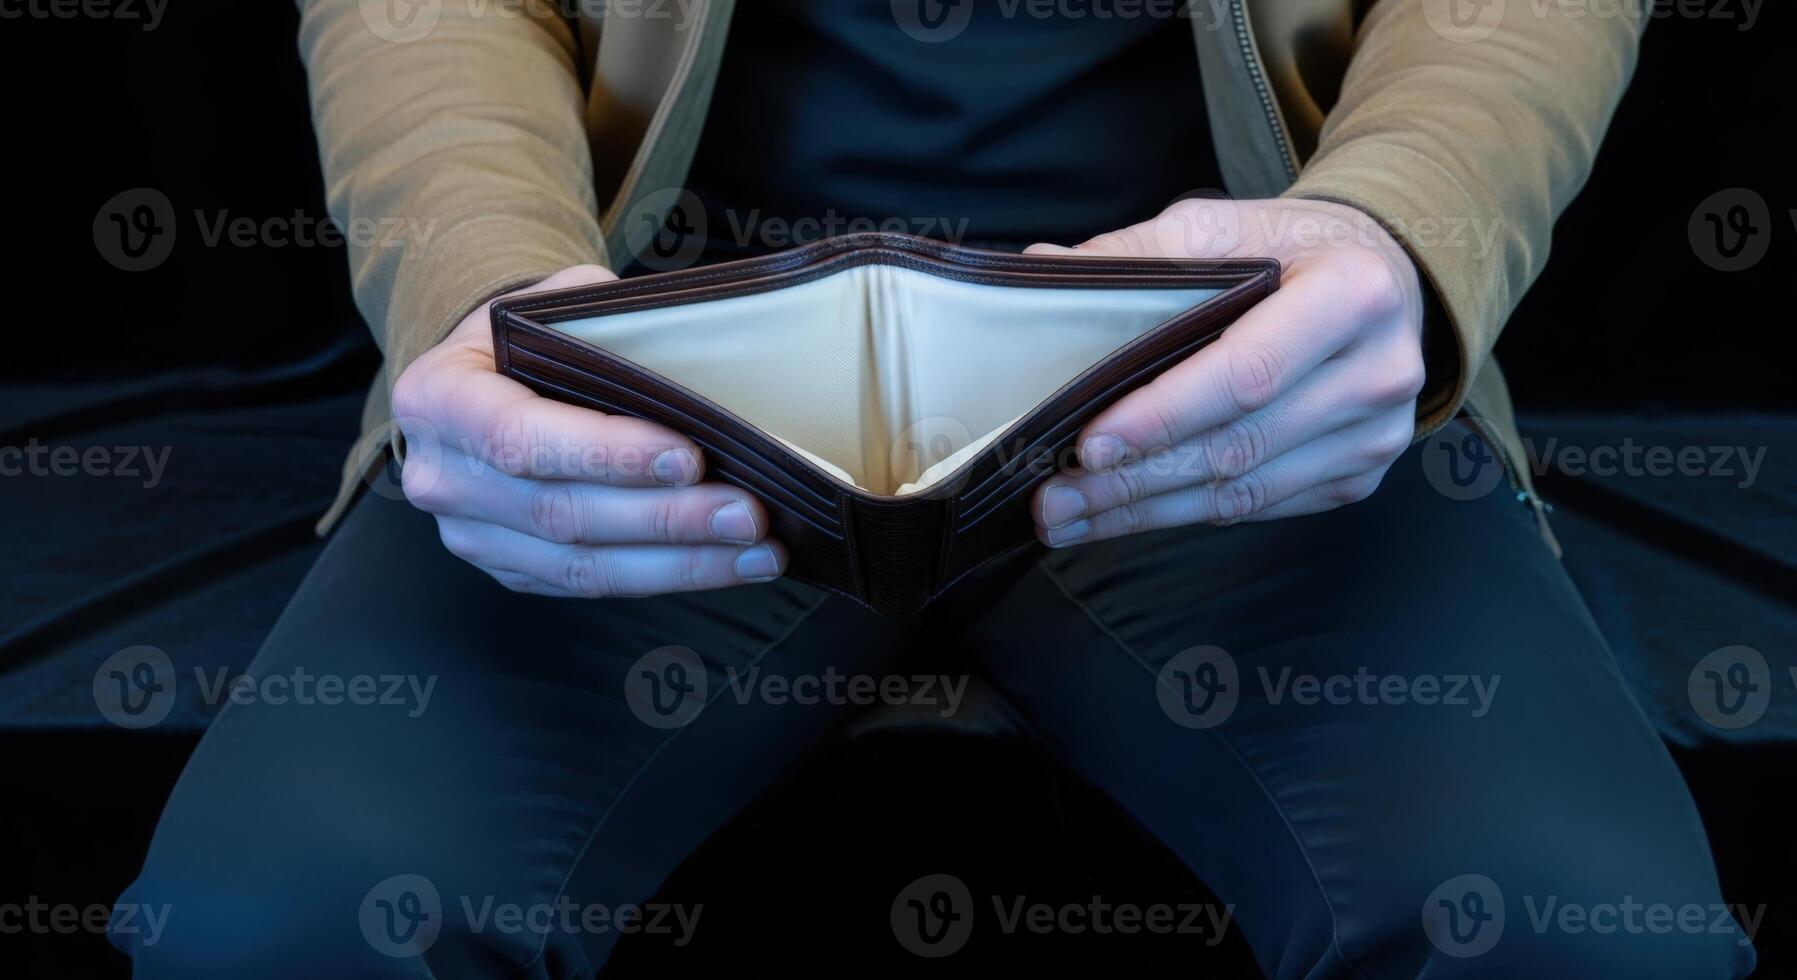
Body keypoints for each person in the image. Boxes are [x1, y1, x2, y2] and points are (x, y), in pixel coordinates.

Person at [112, 1, 1756, 976]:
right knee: (271, 921)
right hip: (659, 349)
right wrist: (487, 286)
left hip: (1228, 359)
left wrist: (1405, 223)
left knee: (1579, 930)